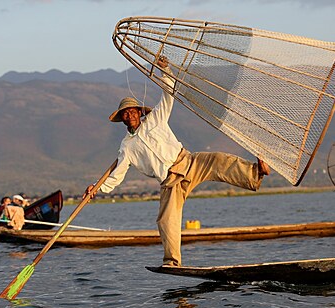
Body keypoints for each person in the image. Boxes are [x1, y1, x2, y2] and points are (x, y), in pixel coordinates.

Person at [85, 56, 270, 267]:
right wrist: (96, 189)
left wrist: (166, 71)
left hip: (189, 163)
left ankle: (257, 173)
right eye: (125, 114)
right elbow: (116, 175)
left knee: (220, 161)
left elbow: (168, 95)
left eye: (132, 111)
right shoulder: (126, 147)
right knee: (166, 220)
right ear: (123, 120)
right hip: (170, 182)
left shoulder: (155, 118)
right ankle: (172, 261)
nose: (129, 115)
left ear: (138, 112)